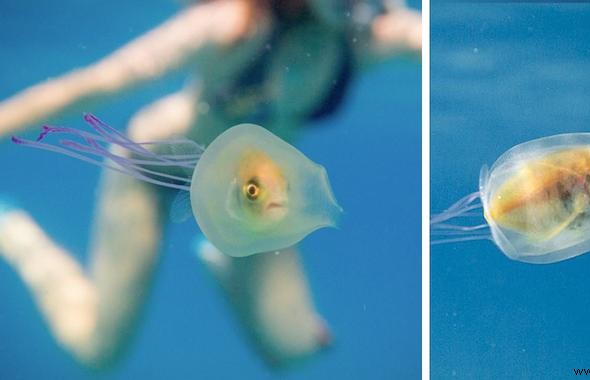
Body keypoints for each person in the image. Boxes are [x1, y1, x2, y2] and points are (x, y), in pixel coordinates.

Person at [0, 0, 421, 369]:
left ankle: (225, 261)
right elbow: (96, 83)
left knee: (294, 350)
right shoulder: (231, 21)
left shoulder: (363, 40)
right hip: (152, 168)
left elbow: (421, 37)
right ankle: (13, 231)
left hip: (258, 202)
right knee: (97, 351)